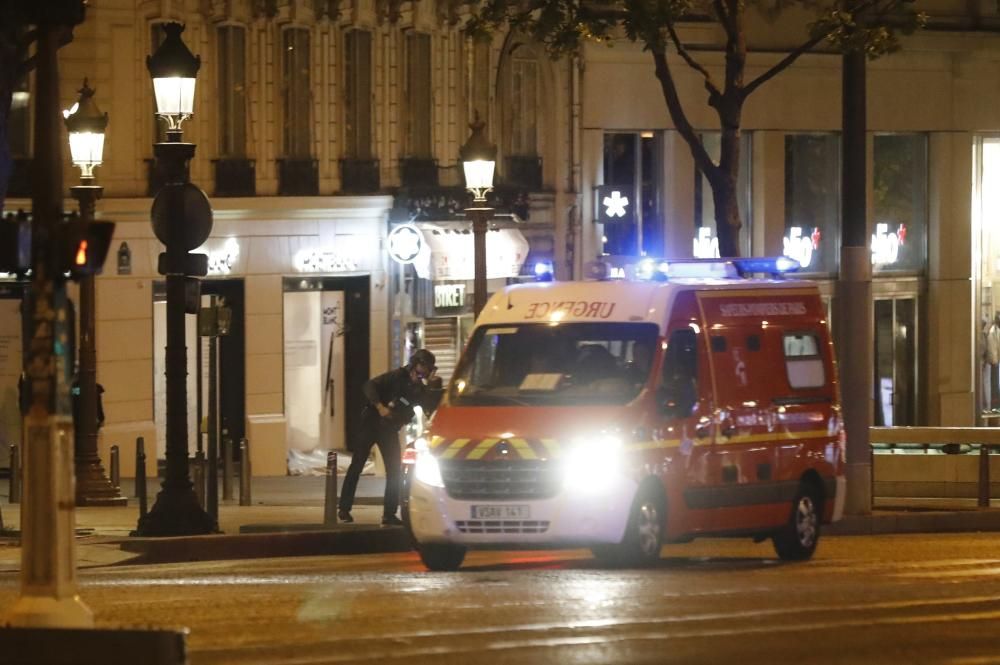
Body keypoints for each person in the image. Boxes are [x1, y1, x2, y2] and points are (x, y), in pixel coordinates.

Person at [338, 349, 442, 526]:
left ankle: (389, 514)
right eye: (424, 366)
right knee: (357, 465)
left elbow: (430, 409)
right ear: (415, 363)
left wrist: (432, 387)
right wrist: (380, 407)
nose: (425, 371)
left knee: (394, 471)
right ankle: (344, 509)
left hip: (389, 430)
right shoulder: (396, 377)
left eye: (429, 368)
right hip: (371, 424)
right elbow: (369, 386)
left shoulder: (420, 389)